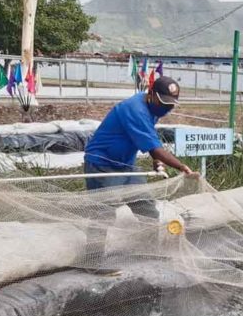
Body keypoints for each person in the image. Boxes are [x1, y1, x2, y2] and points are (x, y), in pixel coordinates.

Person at [83, 76, 196, 273]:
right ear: (151, 94)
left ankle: (149, 251)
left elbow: (147, 137)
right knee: (104, 214)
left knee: (147, 210)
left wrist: (156, 160)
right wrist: (181, 167)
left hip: (126, 164)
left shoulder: (153, 109)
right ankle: (92, 262)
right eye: (164, 103)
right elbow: (156, 149)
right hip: (102, 164)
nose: (167, 108)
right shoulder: (134, 109)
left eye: (171, 104)